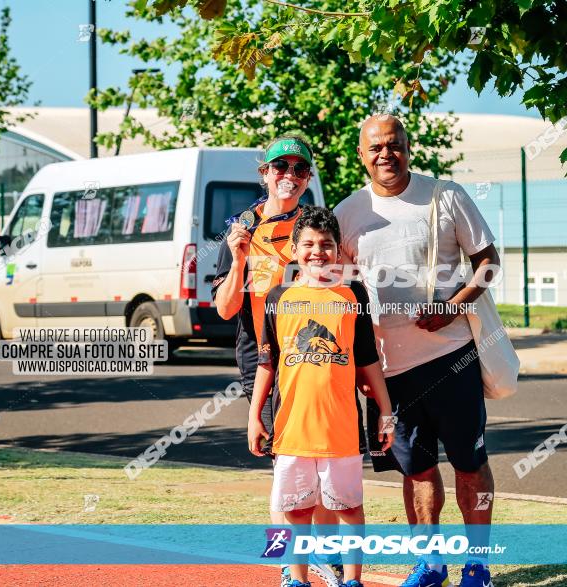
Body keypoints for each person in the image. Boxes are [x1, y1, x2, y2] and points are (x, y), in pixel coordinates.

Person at [334, 115, 500, 587]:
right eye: (376, 148)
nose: (386, 154)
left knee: (471, 465)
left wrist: (453, 307)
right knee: (417, 470)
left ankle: (479, 566)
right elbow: (341, 292)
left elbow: (488, 261)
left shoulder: (446, 196)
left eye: (394, 144)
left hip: (453, 358)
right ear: (361, 156)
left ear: (408, 146)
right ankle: (430, 565)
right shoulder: (348, 212)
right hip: (389, 371)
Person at [211, 135, 352, 587]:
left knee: (325, 459)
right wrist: (237, 258)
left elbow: (340, 287)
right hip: (264, 355)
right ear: (264, 173)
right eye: (279, 167)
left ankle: (325, 556)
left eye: (298, 168)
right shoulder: (241, 229)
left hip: (317, 355)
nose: (288, 175)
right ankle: (287, 560)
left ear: (308, 177)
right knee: (284, 463)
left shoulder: (312, 229)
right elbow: (225, 308)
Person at [248, 206, 394, 587]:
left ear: (339, 252)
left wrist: (386, 410)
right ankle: (295, 578)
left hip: (340, 430)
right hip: (291, 428)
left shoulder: (352, 296)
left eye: (327, 245)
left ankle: (352, 580)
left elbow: (368, 360)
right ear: (295, 250)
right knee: (296, 509)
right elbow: (267, 363)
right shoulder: (279, 297)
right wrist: (254, 417)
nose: (318, 252)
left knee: (348, 507)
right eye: (309, 244)